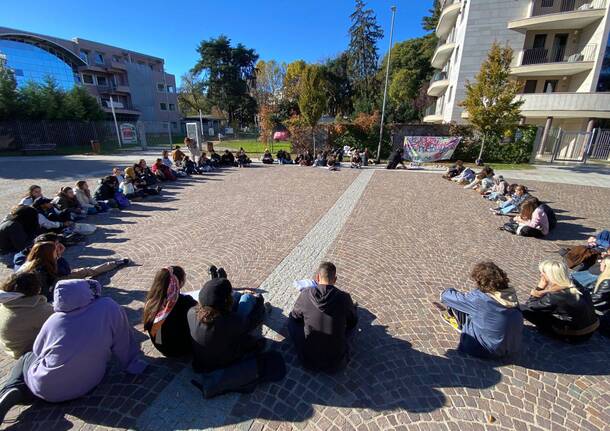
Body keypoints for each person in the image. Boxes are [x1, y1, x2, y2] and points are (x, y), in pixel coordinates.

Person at [0, 279, 146, 422]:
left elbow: (38, 351)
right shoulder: (108, 307)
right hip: (89, 381)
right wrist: (132, 363)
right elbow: (123, 339)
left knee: (26, 358)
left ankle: (12, 389)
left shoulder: (53, 321)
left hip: (46, 390)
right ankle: (19, 390)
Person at [188, 268, 267, 373]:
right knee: (247, 298)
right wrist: (259, 300)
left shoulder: (191, 312)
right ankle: (249, 296)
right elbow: (250, 322)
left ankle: (233, 292)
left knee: (239, 297)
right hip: (224, 361)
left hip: (201, 360)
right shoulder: (232, 321)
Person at [440, 261, 523, 359]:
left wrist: (448, 290)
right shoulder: (510, 294)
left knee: (462, 304)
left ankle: (461, 325)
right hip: (510, 349)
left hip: (483, 350)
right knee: (476, 309)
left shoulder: (480, 299)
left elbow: (448, 297)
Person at [288, 262, 358, 372]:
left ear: (317, 278)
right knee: (353, 328)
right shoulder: (344, 298)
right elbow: (353, 322)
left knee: (291, 320)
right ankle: (344, 348)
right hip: (336, 364)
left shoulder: (306, 294)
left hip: (308, 361)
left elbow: (295, 317)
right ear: (335, 280)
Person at [521, 260, 599, 342]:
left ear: (550, 275)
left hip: (573, 335)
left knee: (522, 308)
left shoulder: (556, 295)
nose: (541, 275)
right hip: (590, 329)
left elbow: (530, 305)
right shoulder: (574, 284)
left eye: (542, 273)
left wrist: (540, 287)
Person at [143, 266, 196, 357]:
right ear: (179, 283)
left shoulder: (151, 303)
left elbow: (152, 329)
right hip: (182, 348)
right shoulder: (185, 302)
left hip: (161, 346)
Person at [0, 272, 53, 359]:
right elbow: (60, 320)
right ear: (36, 288)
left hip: (11, 347)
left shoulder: (6, 302)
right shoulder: (37, 310)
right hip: (26, 352)